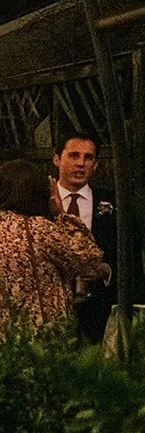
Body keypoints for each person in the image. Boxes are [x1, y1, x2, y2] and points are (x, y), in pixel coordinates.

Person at [0, 160, 108, 343]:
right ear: (38, 193)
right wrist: (59, 214)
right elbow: (88, 261)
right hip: (36, 345)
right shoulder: (38, 231)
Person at [52, 132, 131, 343]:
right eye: (74, 155)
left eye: (88, 158)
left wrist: (106, 271)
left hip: (100, 311)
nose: (81, 164)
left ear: (95, 164)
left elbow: (130, 255)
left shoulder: (114, 202)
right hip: (51, 309)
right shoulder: (40, 202)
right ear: (57, 159)